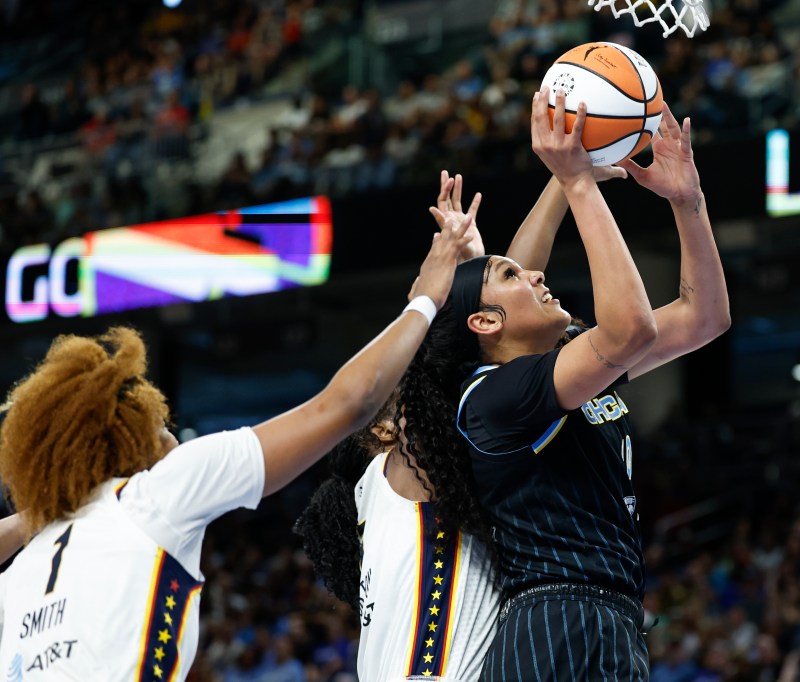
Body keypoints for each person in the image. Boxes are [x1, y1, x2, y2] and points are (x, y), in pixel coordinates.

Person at [0, 209, 474, 680]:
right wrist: (425, 300)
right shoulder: (155, 495)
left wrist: (48, 510)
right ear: (128, 439)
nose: (172, 432)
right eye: (161, 422)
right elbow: (347, 405)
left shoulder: (21, 574)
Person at [405, 87, 729, 680]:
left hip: (612, 616)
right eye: (511, 277)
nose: (534, 273)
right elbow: (630, 329)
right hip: (555, 616)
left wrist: (689, 202)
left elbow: (703, 318)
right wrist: (575, 182)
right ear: (484, 322)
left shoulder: (560, 363)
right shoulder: (493, 398)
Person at [296, 161, 627, 681]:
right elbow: (492, 330)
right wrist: (439, 289)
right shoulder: (410, 462)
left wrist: (555, 189)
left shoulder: (389, 489)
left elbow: (508, 325)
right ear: (384, 430)